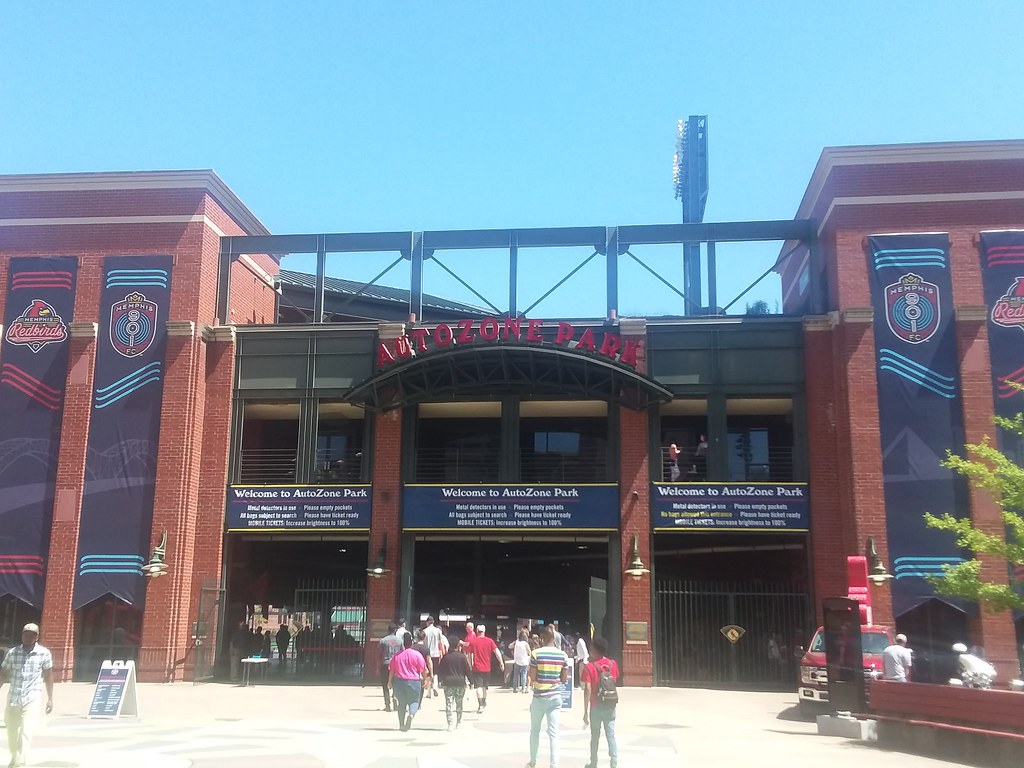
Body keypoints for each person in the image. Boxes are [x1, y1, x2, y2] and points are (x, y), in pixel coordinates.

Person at [0, 623, 53, 768]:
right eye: (26, 634)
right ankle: (14, 756)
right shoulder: (12, 653)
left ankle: (20, 762)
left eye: (32, 635)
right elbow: (3, 673)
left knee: (26, 730)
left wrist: (50, 699)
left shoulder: (44, 653)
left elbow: (48, 676)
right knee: (11, 730)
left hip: (32, 697)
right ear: (22, 635)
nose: (28, 637)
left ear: (37, 637)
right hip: (14, 696)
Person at [527, 624, 569, 768]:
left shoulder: (536, 654)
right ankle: (554, 764)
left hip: (539, 697)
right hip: (555, 696)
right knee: (554, 733)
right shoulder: (563, 655)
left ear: (542, 637)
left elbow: (532, 677)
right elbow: (564, 679)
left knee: (535, 731)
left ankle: (533, 761)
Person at [581, 636, 619, 768]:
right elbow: (614, 680)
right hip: (610, 704)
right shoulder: (613, 664)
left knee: (595, 736)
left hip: (596, 706)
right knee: (611, 735)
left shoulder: (589, 667)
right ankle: (614, 762)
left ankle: (593, 763)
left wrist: (585, 711)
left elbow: (587, 689)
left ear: (595, 650)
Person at [388, 633, 428, 731]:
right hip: (414, 681)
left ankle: (401, 724)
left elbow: (392, 670)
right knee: (414, 701)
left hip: (399, 681)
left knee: (401, 703)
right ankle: (411, 715)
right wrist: (425, 680)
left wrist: (389, 681)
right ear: (412, 643)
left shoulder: (397, 656)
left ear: (403, 643)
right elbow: (423, 669)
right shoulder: (417, 655)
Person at [436, 640, 473, 731]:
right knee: (459, 703)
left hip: (448, 683)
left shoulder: (446, 657)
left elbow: (440, 670)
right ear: (458, 646)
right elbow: (467, 670)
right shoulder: (462, 657)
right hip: (460, 682)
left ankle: (450, 724)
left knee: (449, 704)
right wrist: (471, 681)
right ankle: (458, 722)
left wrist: (440, 680)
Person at [470, 625, 504, 713]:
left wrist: (470, 665)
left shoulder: (473, 641)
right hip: (487, 668)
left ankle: (480, 704)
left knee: (478, 687)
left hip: (476, 668)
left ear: (477, 631)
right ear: (484, 631)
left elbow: (470, 655)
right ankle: (483, 701)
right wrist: (501, 662)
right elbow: (497, 652)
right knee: (485, 687)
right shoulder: (490, 641)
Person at [378, 623, 403, 711]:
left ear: (388, 630)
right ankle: (395, 703)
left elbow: (379, 654)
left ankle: (387, 705)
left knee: (385, 685)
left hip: (385, 664)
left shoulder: (383, 641)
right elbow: (402, 653)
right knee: (396, 684)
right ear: (395, 630)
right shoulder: (400, 641)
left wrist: (378, 666)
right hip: (396, 665)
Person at [423, 615, 444, 698]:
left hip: (427, 654)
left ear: (427, 622)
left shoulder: (424, 631)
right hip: (436, 653)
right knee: (435, 672)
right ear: (433, 622)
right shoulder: (438, 631)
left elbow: (424, 643)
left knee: (428, 672)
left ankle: (429, 693)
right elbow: (440, 642)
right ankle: (435, 686)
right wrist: (441, 652)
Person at [511, 629, 532, 693]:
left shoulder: (516, 642)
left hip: (517, 660)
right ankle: (523, 688)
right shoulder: (525, 644)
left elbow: (510, 646)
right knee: (524, 674)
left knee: (516, 675)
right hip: (524, 660)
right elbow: (529, 652)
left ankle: (515, 688)